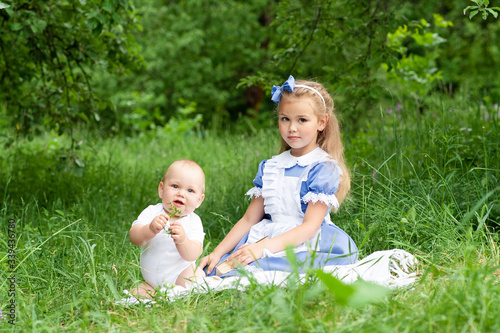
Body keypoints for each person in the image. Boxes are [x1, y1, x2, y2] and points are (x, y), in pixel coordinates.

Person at [201, 75, 358, 276]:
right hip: (267, 235)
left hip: (304, 243)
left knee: (258, 272)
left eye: (302, 120)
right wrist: (217, 252)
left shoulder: (322, 168)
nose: (292, 128)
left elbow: (310, 226)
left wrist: (262, 249)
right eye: (285, 119)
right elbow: (249, 219)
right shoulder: (270, 167)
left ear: (321, 122)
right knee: (216, 270)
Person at [129, 159, 206, 298]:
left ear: (199, 200)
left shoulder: (194, 221)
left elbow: (194, 253)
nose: (181, 194)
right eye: (175, 186)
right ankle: (157, 292)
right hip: (151, 281)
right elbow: (134, 238)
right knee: (134, 293)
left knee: (194, 279)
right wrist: (149, 230)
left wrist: (183, 241)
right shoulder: (152, 212)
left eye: (190, 190)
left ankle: (179, 292)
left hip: (180, 276)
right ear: (161, 189)